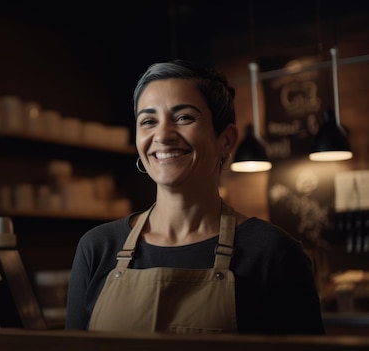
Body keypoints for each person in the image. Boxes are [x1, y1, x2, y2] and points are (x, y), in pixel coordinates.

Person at [65, 60, 325, 334]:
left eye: (184, 117)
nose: (162, 135)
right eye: (148, 121)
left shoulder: (274, 253)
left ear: (225, 140)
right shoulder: (97, 248)